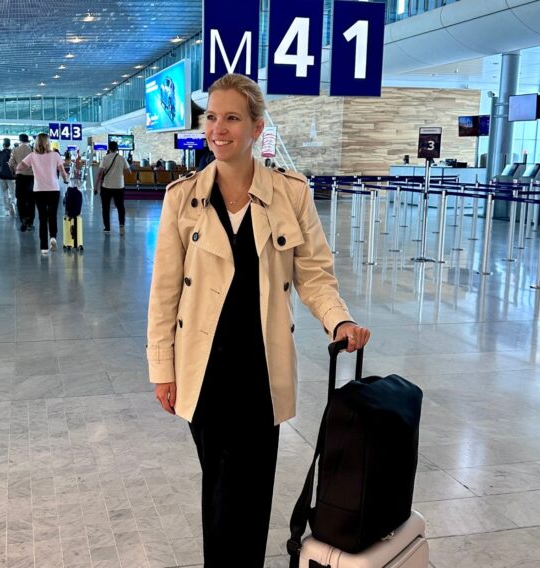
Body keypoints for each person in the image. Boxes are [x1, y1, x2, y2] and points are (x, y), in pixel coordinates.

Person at [146, 73, 371, 567]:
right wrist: (161, 368)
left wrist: (339, 321)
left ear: (255, 128)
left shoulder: (290, 195)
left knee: (248, 493)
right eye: (212, 117)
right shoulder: (183, 199)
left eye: (231, 118)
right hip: (201, 369)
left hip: (260, 370)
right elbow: (164, 293)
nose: (218, 129)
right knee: (222, 490)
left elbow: (314, 274)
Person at [17, 133, 68, 255]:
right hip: (54, 189)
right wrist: (66, 179)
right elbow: (63, 171)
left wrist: (27, 170)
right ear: (48, 142)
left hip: (39, 190)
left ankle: (44, 247)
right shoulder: (55, 155)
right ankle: (53, 238)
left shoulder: (32, 156)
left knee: (42, 217)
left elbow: (19, 166)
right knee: (53, 215)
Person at [96, 139, 131, 235]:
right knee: (120, 207)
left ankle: (107, 228)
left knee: (106, 207)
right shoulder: (122, 158)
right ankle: (121, 226)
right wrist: (120, 174)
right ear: (117, 149)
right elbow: (129, 172)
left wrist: (95, 187)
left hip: (106, 186)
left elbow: (99, 174)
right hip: (119, 186)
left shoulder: (105, 158)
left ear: (109, 148)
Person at [9, 133, 36, 232]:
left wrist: (14, 173)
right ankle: (30, 222)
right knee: (31, 200)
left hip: (20, 177)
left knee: (20, 199)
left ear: (19, 140)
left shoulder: (15, 150)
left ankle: (23, 219)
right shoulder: (33, 150)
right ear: (28, 140)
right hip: (31, 178)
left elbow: (11, 164)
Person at [0, 138, 16, 217]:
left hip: (2, 176)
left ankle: (7, 210)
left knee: (4, 193)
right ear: (9, 144)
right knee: (13, 193)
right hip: (12, 176)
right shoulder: (13, 153)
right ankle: (12, 204)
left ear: (3, 145)